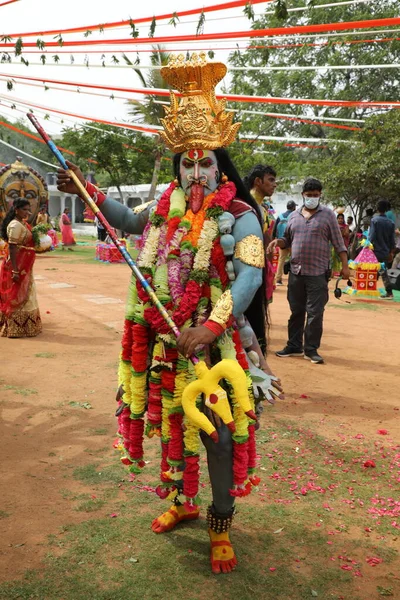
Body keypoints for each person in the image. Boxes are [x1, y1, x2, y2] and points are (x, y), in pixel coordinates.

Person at [56, 53, 282, 575]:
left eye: (206, 163)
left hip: (217, 344)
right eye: (188, 162)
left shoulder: (241, 215)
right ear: (179, 165)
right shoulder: (164, 208)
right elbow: (129, 221)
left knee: (220, 436)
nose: (196, 172)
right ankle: (180, 500)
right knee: (173, 426)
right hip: (164, 341)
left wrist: (209, 327)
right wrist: (88, 193)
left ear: (219, 164)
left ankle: (220, 524)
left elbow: (249, 279)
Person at [268, 178, 350, 364]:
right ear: (302, 195)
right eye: (309, 195)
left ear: (320, 195)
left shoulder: (328, 215)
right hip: (296, 271)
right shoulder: (293, 216)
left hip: (318, 273)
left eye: (315, 195)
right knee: (296, 311)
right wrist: (278, 242)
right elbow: (287, 240)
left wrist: (345, 266)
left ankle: (311, 349)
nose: (312, 198)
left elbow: (339, 243)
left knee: (315, 312)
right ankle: (294, 345)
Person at [0, 199, 42, 337]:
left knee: (26, 293)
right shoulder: (14, 225)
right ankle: (14, 327)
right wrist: (15, 270)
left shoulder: (22, 223)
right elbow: (12, 248)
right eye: (24, 209)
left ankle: (26, 325)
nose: (27, 212)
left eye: (28, 209)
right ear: (16, 209)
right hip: (16, 265)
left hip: (24, 265)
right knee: (16, 295)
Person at [243, 165, 277, 302]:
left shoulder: (261, 208)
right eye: (271, 180)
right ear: (258, 181)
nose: (275, 184)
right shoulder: (246, 205)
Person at [369, 199, 396, 299]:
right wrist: (391, 252)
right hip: (385, 250)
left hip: (375, 250)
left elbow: (371, 236)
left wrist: (367, 246)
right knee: (381, 270)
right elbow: (392, 240)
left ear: (377, 208)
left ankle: (389, 292)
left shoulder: (374, 220)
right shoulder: (391, 223)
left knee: (379, 271)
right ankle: (372, 288)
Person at [272, 200, 297, 285]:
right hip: (292, 242)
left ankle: (278, 279)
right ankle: (294, 279)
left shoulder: (280, 216)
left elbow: (274, 230)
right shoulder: (295, 215)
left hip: (281, 242)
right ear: (294, 207)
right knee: (295, 260)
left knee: (281, 260)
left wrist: (274, 240)